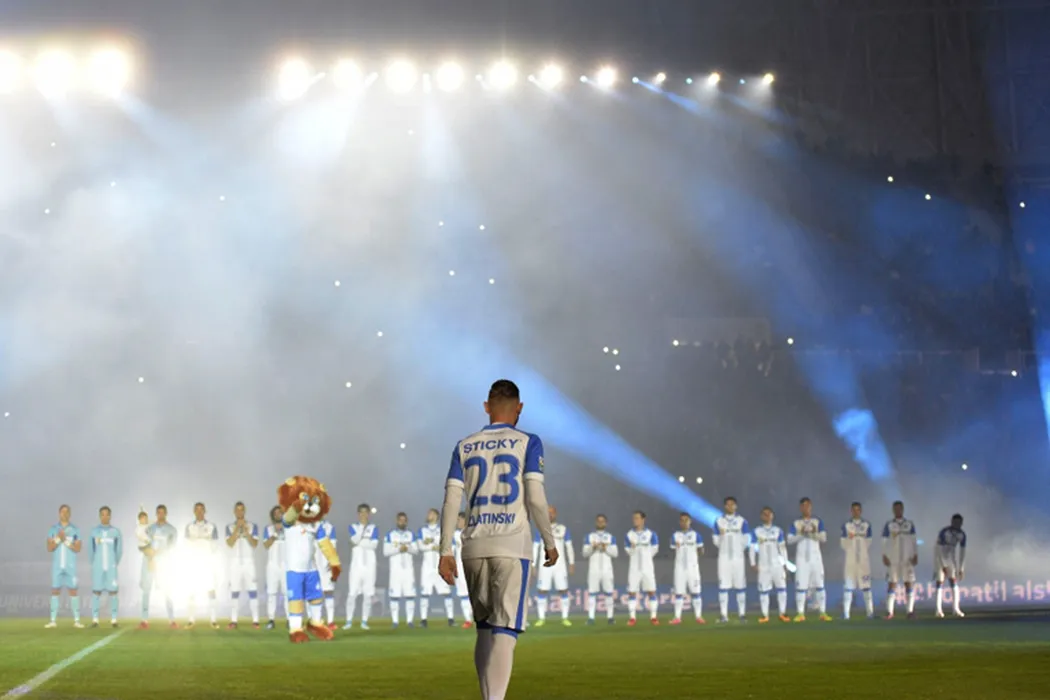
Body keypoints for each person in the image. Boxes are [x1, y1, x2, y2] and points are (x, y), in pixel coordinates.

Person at [437, 378, 558, 700]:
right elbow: (535, 497)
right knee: (505, 630)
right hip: (511, 544)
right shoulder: (528, 442)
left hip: (473, 546)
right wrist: (549, 541)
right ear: (519, 408)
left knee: (484, 629)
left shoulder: (464, 445)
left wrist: (445, 550)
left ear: (486, 407)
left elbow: (451, 501)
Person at [787, 497, 831, 622]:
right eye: (803, 506)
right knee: (801, 586)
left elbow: (824, 538)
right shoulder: (796, 523)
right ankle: (800, 613)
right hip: (801, 559)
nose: (806, 508)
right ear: (800, 508)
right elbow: (789, 540)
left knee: (820, 585)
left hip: (816, 558)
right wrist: (802, 534)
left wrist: (811, 534)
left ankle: (823, 612)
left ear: (811, 507)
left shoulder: (817, 521)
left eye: (808, 505)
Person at [533, 505, 575, 627]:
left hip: (560, 565)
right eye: (547, 513)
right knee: (542, 590)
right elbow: (535, 547)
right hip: (544, 565)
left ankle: (565, 618)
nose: (550, 515)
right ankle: (541, 618)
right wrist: (533, 564)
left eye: (552, 513)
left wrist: (571, 563)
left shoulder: (563, 529)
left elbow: (569, 546)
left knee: (563, 590)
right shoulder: (540, 528)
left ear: (555, 514)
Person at [713, 496, 751, 623]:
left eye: (732, 504)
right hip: (723, 558)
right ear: (725, 506)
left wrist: (738, 548)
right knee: (723, 586)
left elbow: (746, 539)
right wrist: (722, 540)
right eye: (728, 504)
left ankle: (742, 614)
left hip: (738, 558)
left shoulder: (742, 521)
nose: (730, 506)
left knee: (740, 586)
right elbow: (715, 540)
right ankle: (724, 615)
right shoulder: (719, 521)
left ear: (736, 506)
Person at [140, 504, 178, 628]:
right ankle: (144, 620)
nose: (160, 514)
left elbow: (172, 547)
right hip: (149, 562)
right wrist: (150, 555)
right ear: (156, 514)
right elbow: (143, 545)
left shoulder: (172, 530)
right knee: (146, 590)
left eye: (163, 512)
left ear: (166, 513)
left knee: (167, 590)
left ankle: (172, 620)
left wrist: (159, 553)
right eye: (158, 512)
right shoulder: (149, 529)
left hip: (163, 564)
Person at [46, 504, 83, 628]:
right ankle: (52, 621)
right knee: (55, 591)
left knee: (73, 591)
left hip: (70, 566)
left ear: (70, 514)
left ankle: (77, 621)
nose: (65, 514)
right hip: (57, 566)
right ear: (59, 513)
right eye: (62, 511)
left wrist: (65, 540)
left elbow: (78, 548)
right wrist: (58, 539)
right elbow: (49, 547)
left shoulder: (75, 529)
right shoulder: (53, 529)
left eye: (67, 512)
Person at [184, 502, 220, 628]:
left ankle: (213, 620)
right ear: (194, 511)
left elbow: (215, 546)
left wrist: (201, 543)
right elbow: (186, 545)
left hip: (207, 563)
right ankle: (191, 620)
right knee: (191, 591)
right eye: (197, 510)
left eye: (201, 509)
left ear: (205, 511)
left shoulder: (212, 526)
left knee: (211, 591)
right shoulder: (189, 527)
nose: (199, 512)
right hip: (194, 563)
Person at [344, 503, 379, 630]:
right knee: (352, 593)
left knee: (368, 594)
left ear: (369, 514)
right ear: (358, 514)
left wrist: (360, 541)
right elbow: (354, 540)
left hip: (370, 565)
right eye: (361, 512)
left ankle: (364, 621)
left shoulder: (374, 528)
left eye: (366, 512)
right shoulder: (352, 527)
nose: (363, 515)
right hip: (356, 565)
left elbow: (374, 545)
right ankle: (349, 621)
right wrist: (364, 539)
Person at [751, 507, 790, 623]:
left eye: (769, 514)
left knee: (782, 588)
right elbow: (752, 547)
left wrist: (785, 563)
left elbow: (782, 548)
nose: (767, 516)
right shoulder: (757, 531)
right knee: (764, 591)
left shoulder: (778, 531)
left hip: (777, 564)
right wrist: (753, 562)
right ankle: (765, 615)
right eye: (764, 514)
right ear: (761, 516)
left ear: (772, 516)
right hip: (763, 565)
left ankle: (782, 613)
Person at [225, 501, 260, 628]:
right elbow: (229, 543)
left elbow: (254, 544)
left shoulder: (252, 526)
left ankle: (255, 620)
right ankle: (234, 621)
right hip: (234, 563)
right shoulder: (229, 527)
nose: (240, 512)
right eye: (237, 510)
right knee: (234, 592)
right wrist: (236, 529)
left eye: (242, 509)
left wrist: (245, 530)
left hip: (249, 562)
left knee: (252, 591)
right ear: (234, 512)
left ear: (244, 511)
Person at [418, 508, 455, 627]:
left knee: (446, 592)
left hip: (441, 565)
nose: (428, 515)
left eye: (431, 514)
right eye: (428, 513)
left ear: (436, 516)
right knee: (425, 593)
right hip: (427, 566)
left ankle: (451, 619)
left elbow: (451, 546)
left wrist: (439, 548)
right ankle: (423, 619)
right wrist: (430, 547)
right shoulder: (422, 530)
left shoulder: (443, 530)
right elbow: (420, 546)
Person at [882, 500, 918, 619]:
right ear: (893, 510)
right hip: (894, 558)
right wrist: (884, 555)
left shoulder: (909, 524)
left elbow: (914, 540)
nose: (898, 511)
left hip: (907, 558)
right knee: (892, 583)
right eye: (896, 509)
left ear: (903, 509)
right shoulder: (889, 525)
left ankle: (910, 611)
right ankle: (889, 612)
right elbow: (884, 541)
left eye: (899, 508)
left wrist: (915, 554)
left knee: (909, 583)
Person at [89, 506, 123, 627]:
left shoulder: (115, 532)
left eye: (106, 514)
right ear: (100, 516)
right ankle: (95, 620)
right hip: (98, 566)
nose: (104, 517)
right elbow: (91, 550)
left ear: (110, 516)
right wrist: (94, 563)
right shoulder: (94, 532)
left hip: (111, 566)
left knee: (113, 592)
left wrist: (114, 562)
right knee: (96, 592)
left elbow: (119, 550)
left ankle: (114, 620)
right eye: (102, 514)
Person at [624, 510, 660, 626]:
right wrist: (632, 548)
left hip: (647, 567)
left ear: (643, 519)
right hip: (634, 568)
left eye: (637, 518)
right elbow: (627, 551)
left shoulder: (651, 534)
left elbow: (655, 548)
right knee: (632, 592)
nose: (635, 520)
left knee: (651, 591)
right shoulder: (629, 534)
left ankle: (653, 617)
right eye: (634, 518)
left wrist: (646, 557)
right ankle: (632, 618)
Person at [840, 502, 874, 620]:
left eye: (858, 509)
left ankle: (870, 613)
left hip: (863, 561)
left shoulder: (866, 525)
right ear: (851, 511)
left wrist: (861, 549)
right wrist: (850, 540)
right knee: (848, 586)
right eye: (853, 510)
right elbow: (843, 544)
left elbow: (869, 542)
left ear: (861, 511)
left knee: (866, 586)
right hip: (850, 560)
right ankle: (846, 614)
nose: (856, 512)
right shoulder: (846, 525)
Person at [582, 513, 618, 625]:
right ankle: (591, 618)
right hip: (594, 569)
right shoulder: (589, 537)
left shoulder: (611, 537)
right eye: (598, 521)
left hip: (607, 569)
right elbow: (584, 553)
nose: (600, 523)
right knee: (592, 593)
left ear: (606, 523)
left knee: (609, 593)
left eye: (602, 521)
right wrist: (592, 547)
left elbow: (615, 553)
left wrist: (606, 548)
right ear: (596, 522)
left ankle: (610, 617)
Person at [670, 512, 705, 625]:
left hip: (693, 568)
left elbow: (701, 550)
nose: (684, 522)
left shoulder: (696, 535)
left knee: (696, 592)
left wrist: (694, 558)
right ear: (679, 522)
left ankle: (698, 616)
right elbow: (672, 550)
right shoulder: (675, 536)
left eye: (686, 520)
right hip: (679, 568)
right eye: (682, 520)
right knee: (678, 593)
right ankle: (677, 617)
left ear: (690, 521)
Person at [384, 512, 418, 628]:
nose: (402, 522)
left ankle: (409, 621)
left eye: (404, 520)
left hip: (408, 570)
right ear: (396, 521)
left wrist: (407, 548)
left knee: (410, 595)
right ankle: (395, 621)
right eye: (400, 520)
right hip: (395, 570)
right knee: (395, 596)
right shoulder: (390, 535)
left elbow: (416, 550)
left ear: (406, 521)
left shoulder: (411, 535)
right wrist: (399, 549)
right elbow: (385, 552)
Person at [933, 514, 967, 618]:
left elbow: (962, 552)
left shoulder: (962, 534)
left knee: (954, 581)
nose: (957, 524)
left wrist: (961, 568)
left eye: (959, 523)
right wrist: (943, 565)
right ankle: (938, 610)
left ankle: (956, 609)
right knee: (940, 582)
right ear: (952, 521)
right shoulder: (944, 532)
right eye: (955, 522)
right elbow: (939, 549)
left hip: (951, 557)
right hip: (939, 557)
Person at [262, 506, 286, 629]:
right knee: (271, 593)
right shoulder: (268, 529)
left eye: (280, 512)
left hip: (286, 565)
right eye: (275, 513)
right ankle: (271, 620)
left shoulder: (289, 528)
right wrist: (275, 533)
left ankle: (290, 619)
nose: (278, 515)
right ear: (273, 515)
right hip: (272, 565)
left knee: (287, 593)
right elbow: (266, 545)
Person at [314, 517, 338, 628]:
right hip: (312, 564)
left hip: (325, 564)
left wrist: (331, 560)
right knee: (313, 594)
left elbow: (333, 544)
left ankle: (330, 621)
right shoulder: (307, 525)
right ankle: (315, 620)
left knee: (328, 592)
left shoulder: (329, 527)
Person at [452, 512, 475, 628]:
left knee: (475, 593)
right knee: (463, 593)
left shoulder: (473, 532)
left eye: (459, 520)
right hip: (460, 567)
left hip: (472, 565)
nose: (457, 522)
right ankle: (468, 619)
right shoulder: (455, 535)